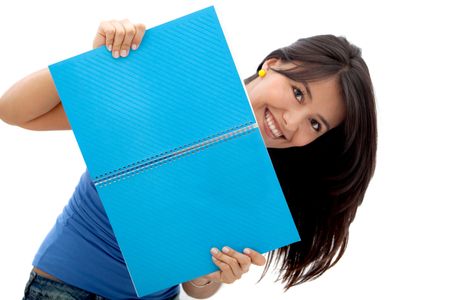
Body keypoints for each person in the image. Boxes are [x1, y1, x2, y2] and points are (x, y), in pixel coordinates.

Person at [0, 17, 377, 300]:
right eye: (297, 93)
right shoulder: (170, 91)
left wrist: (212, 275)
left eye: (315, 123)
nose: (291, 123)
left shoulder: (265, 187)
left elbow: (194, 287)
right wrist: (92, 66)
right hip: (66, 287)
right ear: (272, 63)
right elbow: (15, 111)